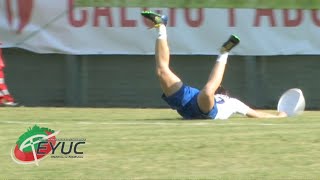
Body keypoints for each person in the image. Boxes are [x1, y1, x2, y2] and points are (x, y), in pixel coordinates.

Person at [141, 11, 287, 119]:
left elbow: (255, 114)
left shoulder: (231, 102)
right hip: (197, 101)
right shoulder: (230, 101)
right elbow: (255, 114)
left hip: (196, 103)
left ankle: (162, 27)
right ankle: (223, 52)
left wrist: (277, 116)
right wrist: (278, 116)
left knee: (166, 72)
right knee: (167, 73)